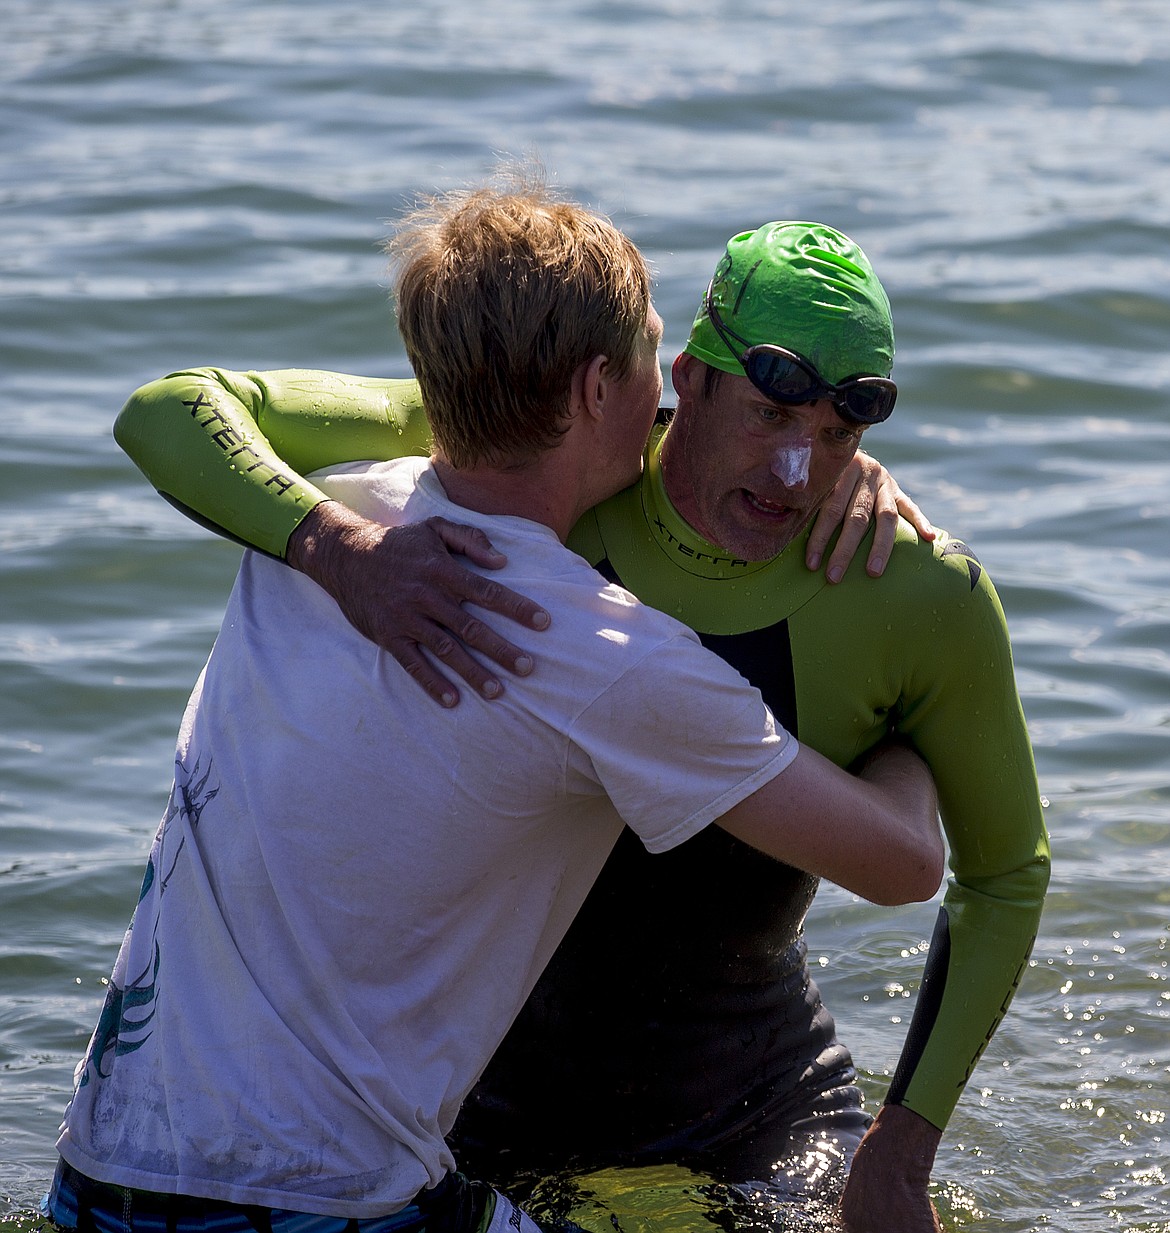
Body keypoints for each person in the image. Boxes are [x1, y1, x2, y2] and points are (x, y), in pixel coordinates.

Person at [109, 220, 1049, 1232]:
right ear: (685, 379)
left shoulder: (913, 590)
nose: (795, 471)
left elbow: (1003, 874)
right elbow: (172, 410)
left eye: (836, 437)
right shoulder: (558, 471)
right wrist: (339, 551)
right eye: (772, 416)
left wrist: (904, 1147)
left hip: (754, 1105)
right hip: (474, 1108)